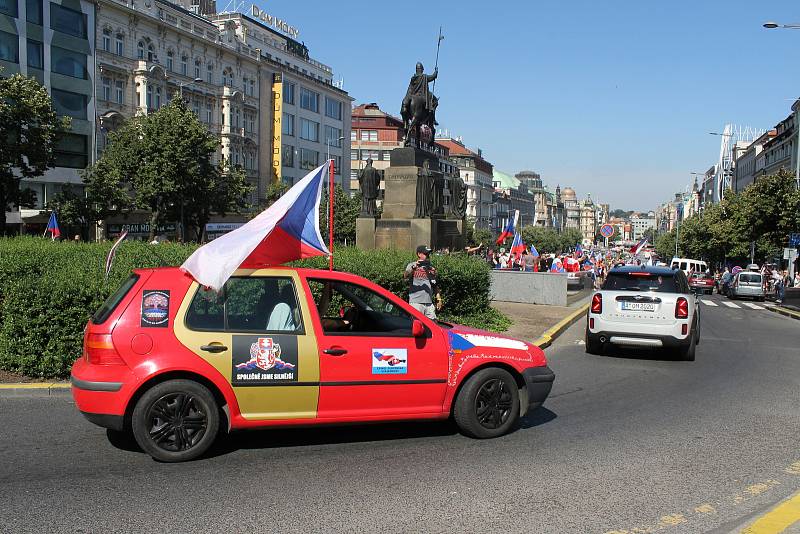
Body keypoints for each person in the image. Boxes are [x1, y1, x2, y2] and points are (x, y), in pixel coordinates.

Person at [404, 245, 441, 319]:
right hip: (416, 303)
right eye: (425, 254)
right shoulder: (412, 265)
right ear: (419, 254)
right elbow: (405, 276)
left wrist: (438, 298)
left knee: (433, 325)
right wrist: (414, 268)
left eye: (428, 254)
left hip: (429, 303)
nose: (428, 256)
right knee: (417, 326)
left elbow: (434, 284)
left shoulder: (431, 268)